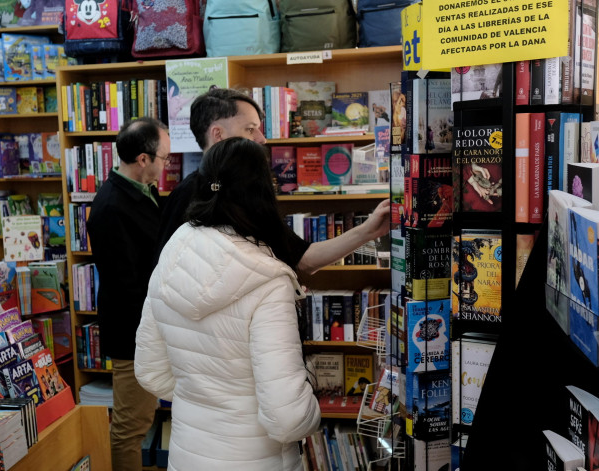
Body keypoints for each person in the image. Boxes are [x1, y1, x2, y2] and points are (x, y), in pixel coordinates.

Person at [135, 137, 320, 470]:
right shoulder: (268, 279)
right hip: (256, 460)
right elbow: (288, 418)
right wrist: (313, 409)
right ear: (261, 192)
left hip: (188, 455)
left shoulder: (172, 258)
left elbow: (150, 372)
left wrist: (203, 400)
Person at [154, 88, 391, 276]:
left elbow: (303, 259)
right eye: (250, 129)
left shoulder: (250, 192)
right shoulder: (186, 195)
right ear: (218, 134)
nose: (262, 139)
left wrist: (369, 230)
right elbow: (167, 274)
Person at [85, 117, 170, 471]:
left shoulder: (143, 191)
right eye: (163, 158)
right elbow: (125, 287)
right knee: (130, 426)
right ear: (143, 159)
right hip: (135, 334)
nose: (166, 164)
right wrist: (155, 332)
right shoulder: (110, 208)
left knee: (142, 415)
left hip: (149, 328)